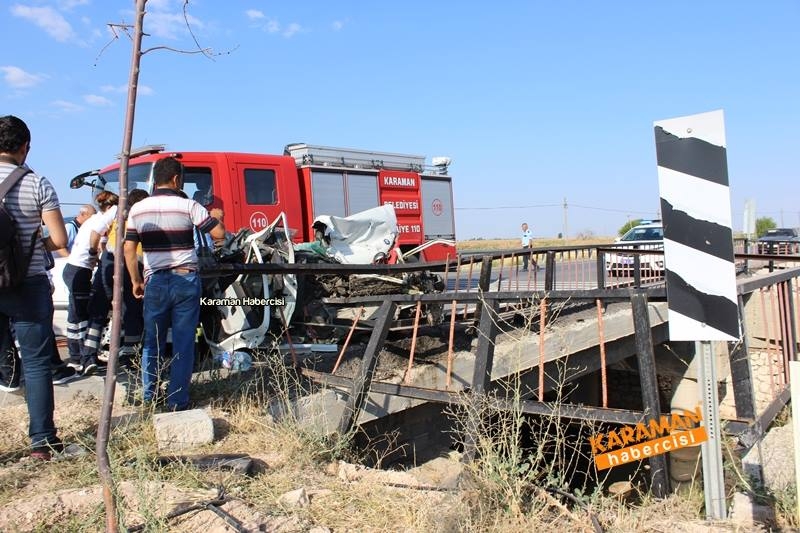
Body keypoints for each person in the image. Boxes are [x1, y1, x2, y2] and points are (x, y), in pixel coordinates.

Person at [124, 157, 225, 412]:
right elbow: (219, 234)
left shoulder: (137, 209)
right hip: (185, 279)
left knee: (152, 341)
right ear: (177, 179)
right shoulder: (188, 205)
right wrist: (214, 218)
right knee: (183, 341)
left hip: (155, 281)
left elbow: (128, 248)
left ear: (155, 179)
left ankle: (149, 397)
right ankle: (177, 400)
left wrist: (136, 280)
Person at [0, 115, 69, 459]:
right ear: (24, 146)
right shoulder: (38, 183)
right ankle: (41, 441)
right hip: (27, 284)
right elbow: (59, 238)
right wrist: (30, 241)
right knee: (38, 362)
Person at [83, 189, 149, 369]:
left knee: (98, 308)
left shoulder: (116, 213)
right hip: (132, 265)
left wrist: (92, 253)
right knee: (132, 311)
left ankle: (88, 356)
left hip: (109, 261)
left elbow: (96, 233)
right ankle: (130, 358)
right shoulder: (144, 217)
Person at [63, 191, 118, 374]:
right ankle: (80, 359)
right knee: (79, 317)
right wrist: (95, 256)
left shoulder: (93, 219)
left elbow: (101, 241)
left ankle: (82, 358)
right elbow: (96, 238)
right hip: (80, 269)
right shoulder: (110, 214)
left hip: (75, 269)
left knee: (78, 315)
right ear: (110, 207)